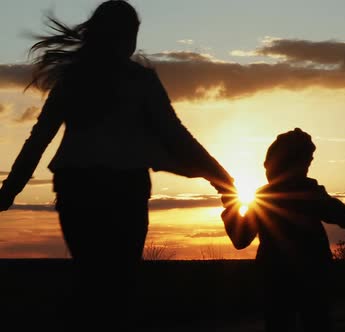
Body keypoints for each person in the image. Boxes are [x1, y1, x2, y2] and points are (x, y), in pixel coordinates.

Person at [0, 1, 235, 329]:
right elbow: (176, 135)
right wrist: (220, 176)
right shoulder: (138, 80)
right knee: (118, 288)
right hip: (123, 190)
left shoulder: (73, 79)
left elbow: (38, 140)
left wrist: (10, 190)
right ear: (125, 36)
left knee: (92, 281)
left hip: (76, 187)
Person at [221, 128, 345, 332]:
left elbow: (240, 239)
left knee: (297, 322)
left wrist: (230, 206)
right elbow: (335, 210)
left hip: (284, 278)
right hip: (302, 276)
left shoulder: (271, 198)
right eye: (308, 160)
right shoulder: (302, 193)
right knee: (311, 321)